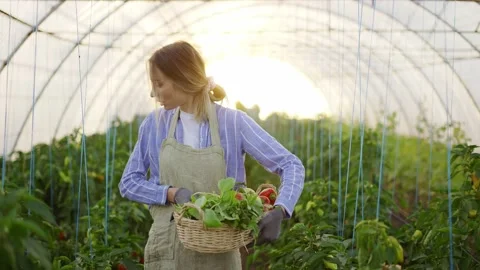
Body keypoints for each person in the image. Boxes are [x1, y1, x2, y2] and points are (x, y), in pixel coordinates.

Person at [118, 41, 305, 270]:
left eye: (159, 84)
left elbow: (290, 164)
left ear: (183, 79)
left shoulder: (233, 123)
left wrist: (281, 209)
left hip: (219, 249)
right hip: (168, 248)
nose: (152, 92)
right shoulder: (154, 125)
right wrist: (169, 193)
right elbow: (128, 182)